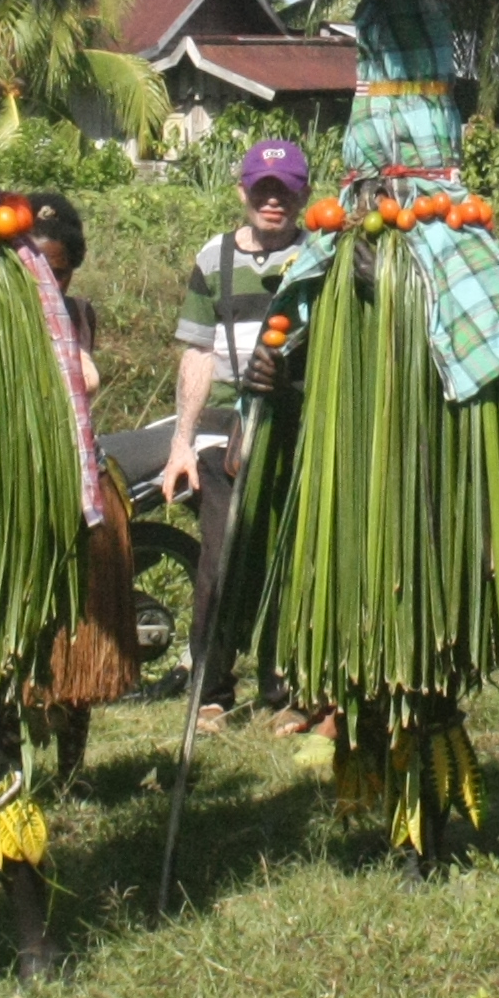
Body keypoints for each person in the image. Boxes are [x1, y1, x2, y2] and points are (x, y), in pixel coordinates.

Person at [149, 141, 313, 728]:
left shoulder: (318, 257)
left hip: (296, 428)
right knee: (219, 559)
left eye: (286, 190)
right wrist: (181, 444)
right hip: (224, 432)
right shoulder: (215, 257)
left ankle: (286, 685)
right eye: (263, 189)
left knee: (286, 557)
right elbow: (196, 352)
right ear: (243, 192)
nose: (274, 201)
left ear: (302, 196)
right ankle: (212, 686)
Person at [25, 192, 138, 783]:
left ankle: (72, 770)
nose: (50, 280)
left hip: (84, 486)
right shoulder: (1, 321)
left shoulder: (81, 314)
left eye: (61, 269)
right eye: (38, 267)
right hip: (25, 494)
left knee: (82, 634)